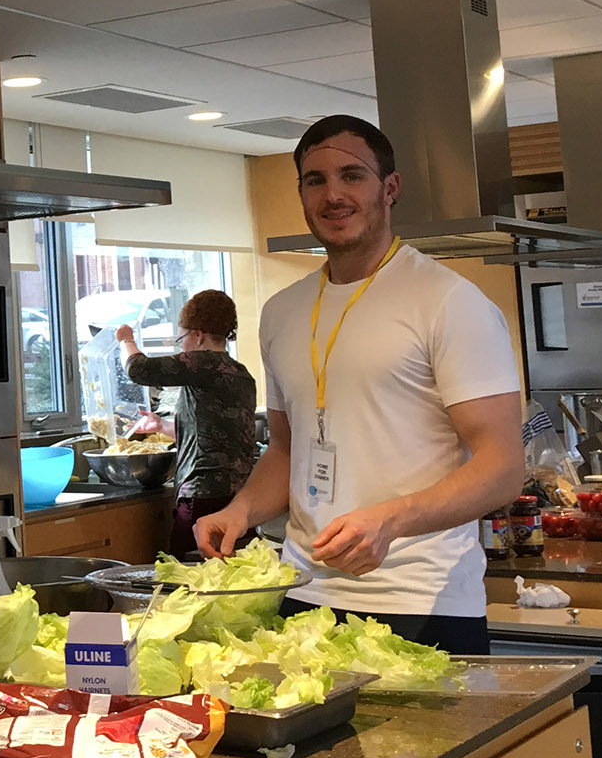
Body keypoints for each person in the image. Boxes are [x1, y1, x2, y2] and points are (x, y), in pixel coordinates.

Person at [192, 115, 524, 653]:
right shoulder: (282, 311)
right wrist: (241, 511)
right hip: (303, 596)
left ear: (389, 188)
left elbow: (503, 465)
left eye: (352, 175)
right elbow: (285, 448)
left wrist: (391, 521)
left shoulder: (448, 301)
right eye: (315, 180)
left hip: (420, 601)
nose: (333, 195)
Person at [114, 288, 257, 559]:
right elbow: (214, 435)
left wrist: (126, 339)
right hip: (241, 498)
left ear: (198, 334)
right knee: (236, 576)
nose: (182, 347)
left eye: (182, 338)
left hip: (202, 496)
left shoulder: (202, 363)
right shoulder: (240, 373)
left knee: (186, 577)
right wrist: (161, 426)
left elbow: (138, 369)